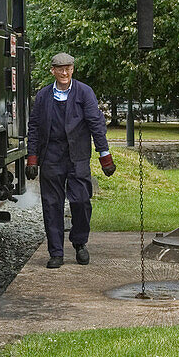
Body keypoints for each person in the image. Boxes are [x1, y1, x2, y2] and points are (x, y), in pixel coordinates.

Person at [24, 52, 115, 268]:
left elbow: (96, 124)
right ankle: (56, 252)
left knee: (81, 201)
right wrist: (32, 158)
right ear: (53, 71)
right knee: (52, 205)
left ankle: (79, 242)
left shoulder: (85, 92)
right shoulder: (44, 96)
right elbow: (34, 127)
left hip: (78, 157)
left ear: (72, 70)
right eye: (60, 68)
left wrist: (105, 156)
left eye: (68, 68)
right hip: (51, 158)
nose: (64, 72)